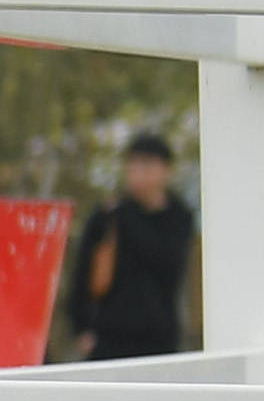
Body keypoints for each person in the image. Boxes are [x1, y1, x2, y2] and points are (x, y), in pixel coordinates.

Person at [67, 131, 197, 361]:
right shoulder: (107, 217)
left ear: (166, 171)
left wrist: (129, 218)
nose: (139, 175)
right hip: (110, 340)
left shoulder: (179, 218)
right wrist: (82, 329)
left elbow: (169, 263)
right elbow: (82, 275)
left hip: (160, 340)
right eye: (133, 167)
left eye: (147, 167)